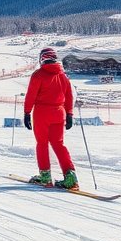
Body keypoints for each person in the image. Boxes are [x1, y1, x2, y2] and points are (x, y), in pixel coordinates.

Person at [23, 47, 77, 188]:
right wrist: (69, 114)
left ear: (42, 59)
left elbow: (31, 95)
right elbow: (69, 96)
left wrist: (27, 112)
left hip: (42, 113)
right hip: (59, 113)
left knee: (42, 143)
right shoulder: (63, 76)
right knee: (58, 144)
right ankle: (70, 176)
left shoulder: (38, 75)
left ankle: (45, 176)